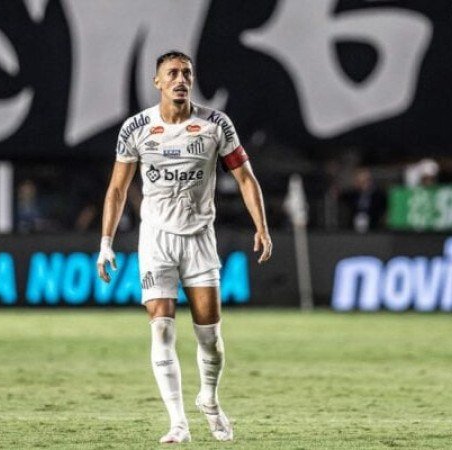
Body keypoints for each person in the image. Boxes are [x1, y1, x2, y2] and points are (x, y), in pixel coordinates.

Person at [96, 51, 272, 444]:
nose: (180, 79)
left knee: (209, 337)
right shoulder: (136, 128)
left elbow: (245, 178)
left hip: (199, 238)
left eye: (186, 73)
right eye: (172, 73)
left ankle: (208, 399)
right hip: (156, 239)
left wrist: (261, 227)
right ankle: (178, 421)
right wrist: (106, 243)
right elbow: (118, 189)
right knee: (161, 328)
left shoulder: (215, 124)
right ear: (157, 81)